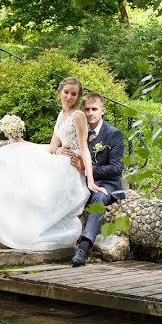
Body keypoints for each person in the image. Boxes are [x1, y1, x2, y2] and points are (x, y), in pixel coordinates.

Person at [0, 77, 106, 251]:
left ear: (78, 97)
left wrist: (90, 180)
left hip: (71, 165)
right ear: (60, 92)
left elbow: (84, 149)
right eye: (66, 92)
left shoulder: (77, 116)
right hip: (59, 158)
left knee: (31, 167)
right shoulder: (62, 115)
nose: (69, 97)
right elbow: (52, 146)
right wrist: (24, 142)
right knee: (18, 151)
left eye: (74, 94)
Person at [55, 92, 125, 267]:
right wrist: (59, 151)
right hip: (81, 181)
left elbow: (117, 168)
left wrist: (87, 169)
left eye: (94, 109)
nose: (90, 113)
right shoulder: (80, 128)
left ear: (103, 110)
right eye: (86, 109)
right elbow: (59, 145)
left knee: (99, 198)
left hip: (108, 184)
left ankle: (83, 248)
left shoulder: (113, 134)